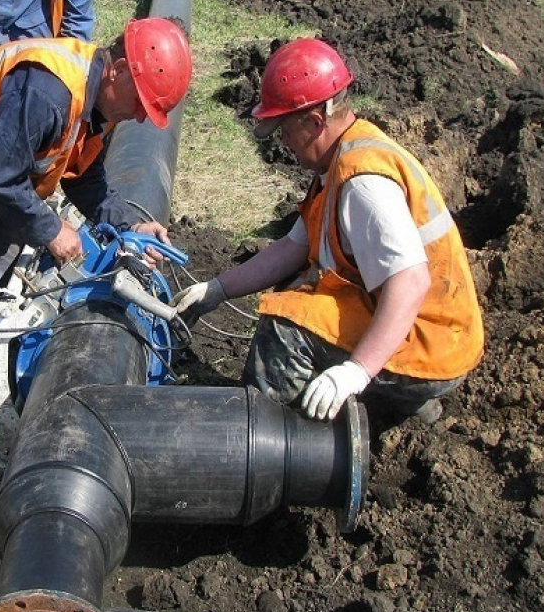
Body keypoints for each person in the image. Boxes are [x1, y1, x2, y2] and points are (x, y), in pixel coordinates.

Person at [0, 17, 192, 452]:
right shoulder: (50, 91)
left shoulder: (97, 104)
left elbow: (84, 179)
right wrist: (51, 229)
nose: (141, 115)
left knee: (0, 257)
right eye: (141, 101)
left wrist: (129, 226)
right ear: (118, 68)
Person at [173, 38, 483, 425]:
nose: (282, 142)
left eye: (284, 129)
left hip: (431, 344)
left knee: (287, 323)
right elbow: (291, 247)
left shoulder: (362, 184)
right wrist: (216, 290)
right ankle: (400, 405)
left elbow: (411, 282)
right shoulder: (343, 155)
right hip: (430, 331)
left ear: (315, 122)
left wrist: (355, 371)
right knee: (300, 285)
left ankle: (259, 436)